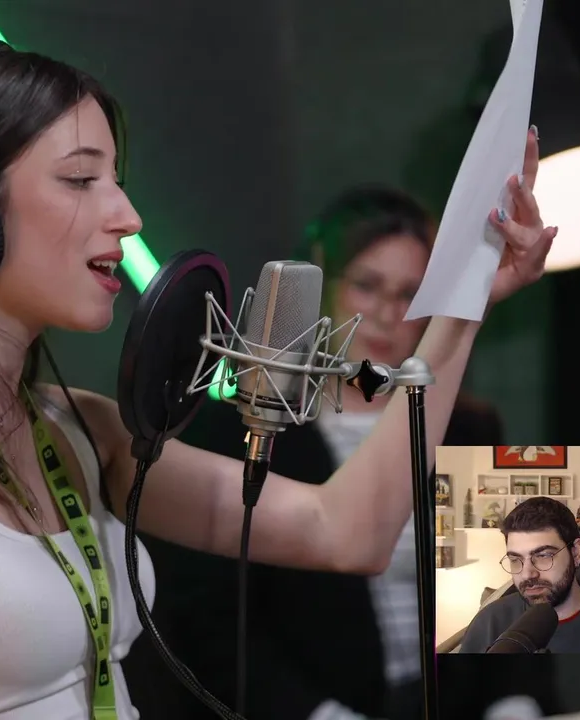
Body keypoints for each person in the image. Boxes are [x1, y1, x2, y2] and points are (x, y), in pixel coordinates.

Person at [0, 37, 556, 720]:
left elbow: (346, 531)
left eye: (116, 177)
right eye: (81, 179)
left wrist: (464, 303)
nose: (127, 214)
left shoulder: (81, 430)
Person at [130, 187, 505, 720]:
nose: (387, 314)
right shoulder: (241, 430)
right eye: (367, 286)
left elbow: (511, 590)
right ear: (324, 285)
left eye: (409, 295)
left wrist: (514, 702)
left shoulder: (469, 427)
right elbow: (209, 621)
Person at [457, 498, 580, 654]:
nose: (527, 573)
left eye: (543, 556)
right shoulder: (489, 624)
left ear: (576, 553)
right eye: (515, 559)